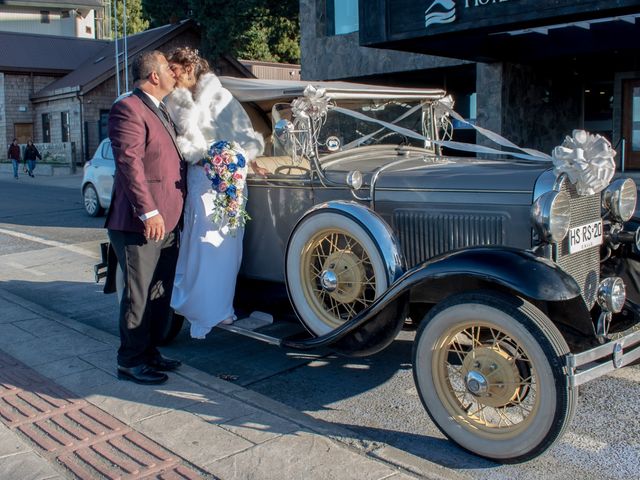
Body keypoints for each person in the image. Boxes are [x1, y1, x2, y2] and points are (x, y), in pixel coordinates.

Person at [165, 47, 265, 339]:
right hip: (199, 179)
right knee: (200, 243)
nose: (171, 74)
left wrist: (239, 157)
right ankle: (194, 304)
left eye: (174, 69)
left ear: (188, 69)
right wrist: (200, 156)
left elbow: (244, 134)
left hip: (230, 180)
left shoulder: (220, 95)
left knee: (227, 246)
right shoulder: (173, 100)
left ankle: (220, 307)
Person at [106, 50, 187, 385]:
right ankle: (130, 360)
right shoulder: (128, 108)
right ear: (154, 75)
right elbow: (130, 164)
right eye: (168, 68)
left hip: (168, 220)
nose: (174, 73)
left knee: (158, 292)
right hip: (140, 222)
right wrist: (149, 211)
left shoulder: (161, 109)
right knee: (138, 294)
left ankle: (150, 352)